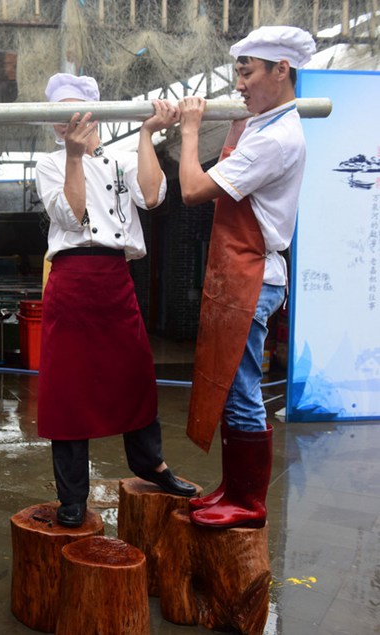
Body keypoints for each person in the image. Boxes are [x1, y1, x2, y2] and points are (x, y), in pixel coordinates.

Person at [35, 73, 197, 528]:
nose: (67, 122)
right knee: (67, 389)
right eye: (59, 116)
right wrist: (72, 156)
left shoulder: (123, 159)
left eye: (75, 112)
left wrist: (147, 133)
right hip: (71, 280)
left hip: (115, 276)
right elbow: (71, 213)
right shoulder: (48, 163)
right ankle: (72, 495)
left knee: (136, 373)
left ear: (96, 113)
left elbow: (153, 194)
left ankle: (152, 464)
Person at [178, 26, 315, 529]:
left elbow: (193, 189)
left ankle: (250, 503)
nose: (240, 84)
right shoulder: (262, 122)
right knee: (230, 384)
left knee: (241, 390)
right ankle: (233, 488)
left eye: (247, 72)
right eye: (237, 72)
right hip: (241, 272)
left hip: (253, 274)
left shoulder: (277, 138)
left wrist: (190, 128)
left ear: (282, 70)